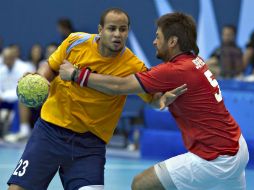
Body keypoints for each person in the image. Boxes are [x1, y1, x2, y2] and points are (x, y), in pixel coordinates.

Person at [60, 12, 249, 190]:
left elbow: (120, 86)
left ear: (172, 41)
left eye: (158, 37)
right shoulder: (195, 61)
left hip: (217, 158)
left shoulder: (175, 70)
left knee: (141, 184)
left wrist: (77, 74)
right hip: (237, 147)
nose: (154, 41)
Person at [7, 8, 186, 190]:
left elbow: (152, 98)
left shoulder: (134, 66)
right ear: (100, 30)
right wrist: (41, 78)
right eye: (112, 28)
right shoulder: (76, 42)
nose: (117, 34)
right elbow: (51, 65)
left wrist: (162, 100)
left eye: (122, 29)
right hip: (49, 133)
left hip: (89, 146)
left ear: (128, 31)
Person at [0, 47, 34, 142]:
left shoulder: (24, 68)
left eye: (8, 58)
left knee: (21, 100)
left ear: (13, 57)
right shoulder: (1, 70)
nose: (6, 60)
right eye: (5, 58)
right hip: (4, 99)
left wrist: (3, 96)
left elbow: (21, 89)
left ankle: (17, 132)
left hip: (18, 98)